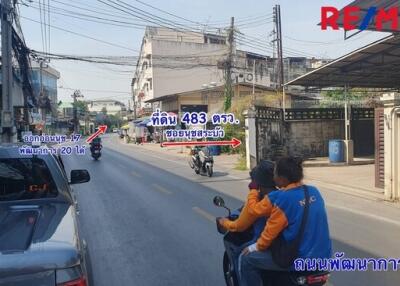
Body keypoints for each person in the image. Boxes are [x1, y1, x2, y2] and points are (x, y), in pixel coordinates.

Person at [240, 156, 332, 286]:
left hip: (299, 260)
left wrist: (254, 247)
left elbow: (268, 232)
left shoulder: (282, 199)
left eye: (275, 173)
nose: (273, 177)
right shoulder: (314, 191)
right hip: (324, 257)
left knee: (246, 259)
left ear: (282, 179)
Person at [217, 160, 277, 282]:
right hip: (289, 244)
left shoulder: (261, 200)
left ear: (258, 183)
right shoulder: (285, 194)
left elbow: (239, 225)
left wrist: (224, 222)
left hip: (266, 243)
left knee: (242, 259)